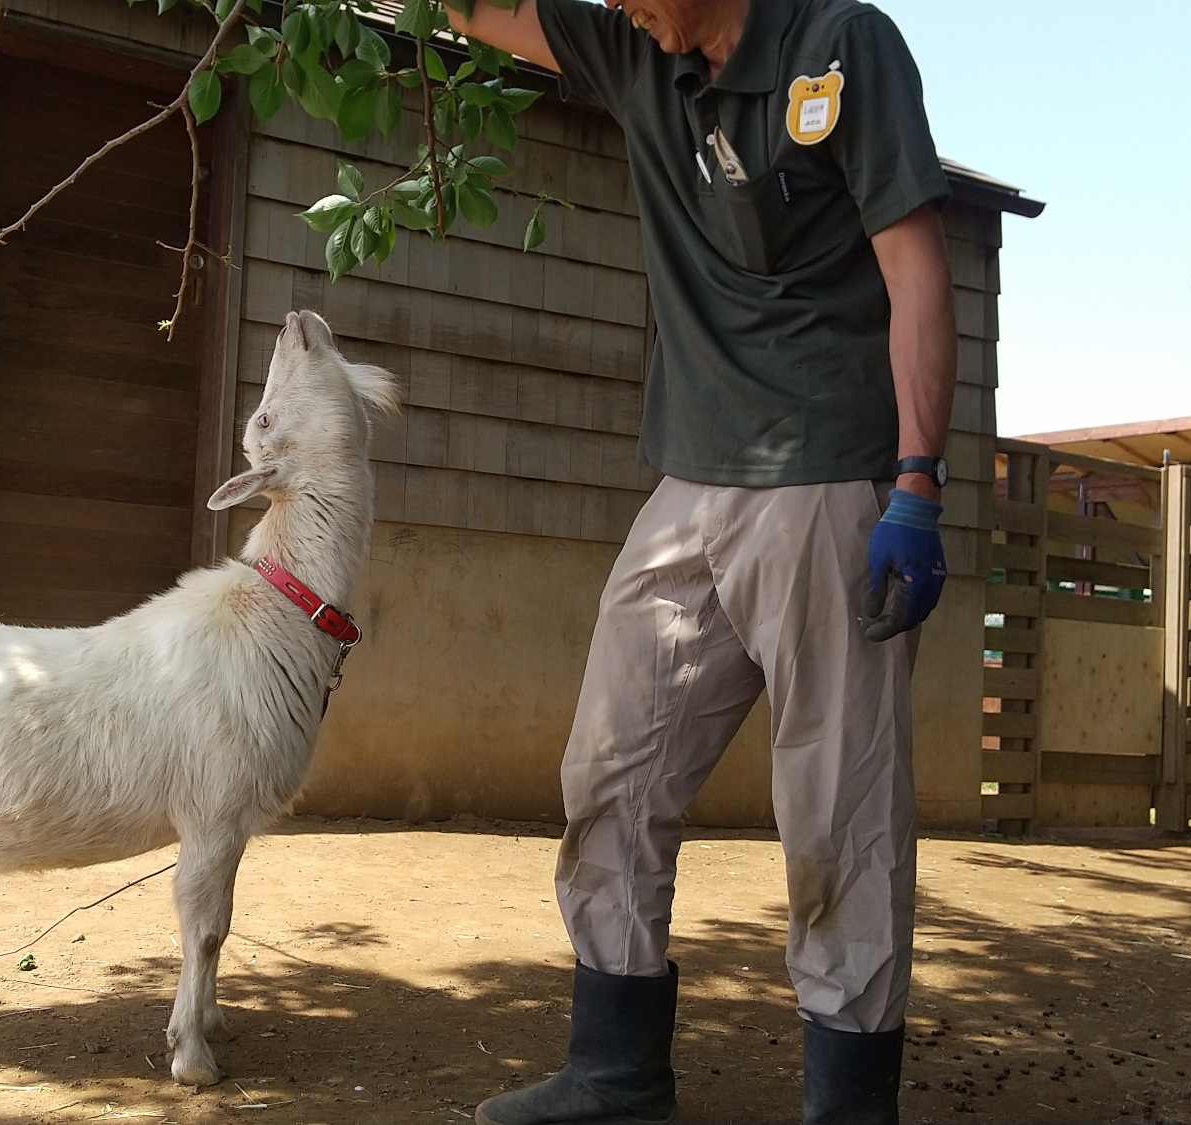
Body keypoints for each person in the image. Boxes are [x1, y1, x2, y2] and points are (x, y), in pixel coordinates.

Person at [447, 2, 956, 1123]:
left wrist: (914, 482)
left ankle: (846, 1102)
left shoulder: (839, 45)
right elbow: (472, 10)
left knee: (839, 806)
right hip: (689, 479)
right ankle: (615, 1070)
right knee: (610, 772)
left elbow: (914, 267)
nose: (617, 5)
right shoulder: (632, 51)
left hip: (828, 470)